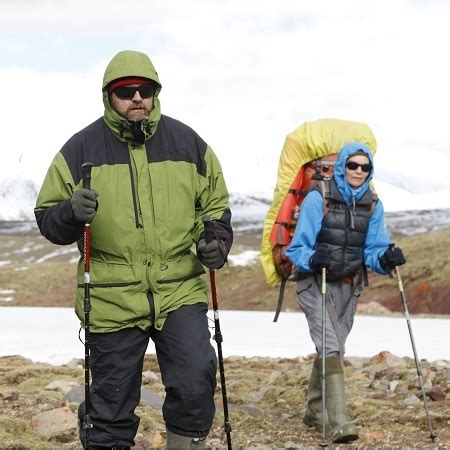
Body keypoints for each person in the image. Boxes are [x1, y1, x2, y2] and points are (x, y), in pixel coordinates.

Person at [34, 50, 233, 450]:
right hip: (110, 296)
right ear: (109, 96)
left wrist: (217, 242)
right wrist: (71, 212)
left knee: (196, 381)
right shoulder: (79, 149)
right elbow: (47, 218)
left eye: (145, 89)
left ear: (156, 93)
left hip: (179, 287)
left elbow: (215, 207)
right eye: (126, 91)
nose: (137, 97)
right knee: (110, 406)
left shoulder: (189, 143)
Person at [285, 142, 406, 443]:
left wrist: (386, 259)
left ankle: (314, 411)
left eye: (365, 167)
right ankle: (339, 421)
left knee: (333, 346)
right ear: (342, 166)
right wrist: (313, 259)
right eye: (353, 165)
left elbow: (374, 250)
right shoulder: (319, 199)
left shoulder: (373, 204)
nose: (358, 171)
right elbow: (297, 248)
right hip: (315, 282)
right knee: (330, 345)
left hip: (348, 288)